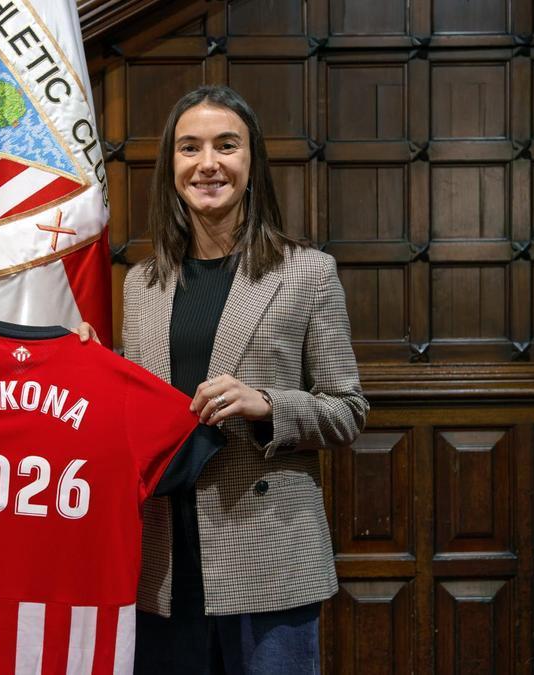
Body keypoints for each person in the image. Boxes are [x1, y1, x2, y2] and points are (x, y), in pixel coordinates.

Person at [124, 85, 369, 674]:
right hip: (162, 559)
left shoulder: (307, 273)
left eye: (225, 146)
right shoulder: (141, 285)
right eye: (190, 148)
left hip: (267, 553)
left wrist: (267, 403)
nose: (208, 163)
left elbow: (349, 408)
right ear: (172, 168)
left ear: (251, 161)